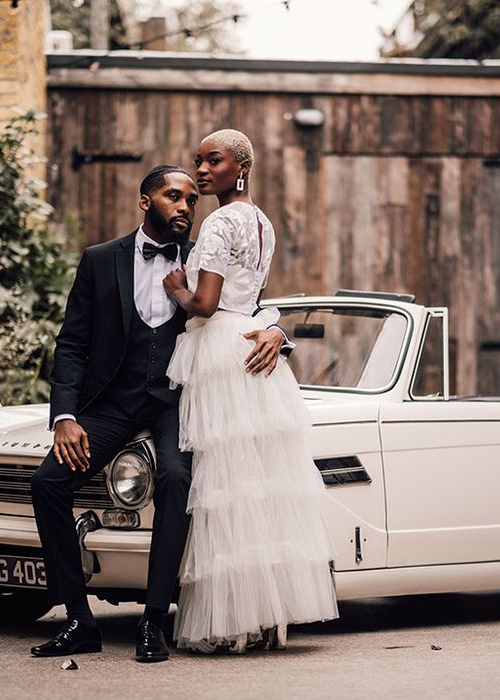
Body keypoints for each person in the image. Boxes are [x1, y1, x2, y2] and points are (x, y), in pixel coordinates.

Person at [30, 164, 289, 663]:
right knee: (47, 485)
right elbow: (72, 344)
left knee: (176, 478)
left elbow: (250, 304)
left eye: (193, 199)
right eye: (174, 196)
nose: (186, 207)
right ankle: (79, 621)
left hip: (177, 400)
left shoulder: (202, 257)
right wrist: (65, 417)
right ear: (146, 201)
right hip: (113, 402)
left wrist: (280, 334)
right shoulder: (100, 260)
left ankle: (153, 620)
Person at [163, 129, 339, 653]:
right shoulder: (262, 222)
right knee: (255, 483)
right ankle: (262, 617)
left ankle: (227, 619)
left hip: (219, 349)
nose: (200, 169)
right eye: (197, 160)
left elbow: (208, 304)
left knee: (225, 485)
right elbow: (254, 299)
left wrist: (178, 290)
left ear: (239, 167)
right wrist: (274, 327)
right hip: (249, 349)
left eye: (212, 160)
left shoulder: (218, 220)